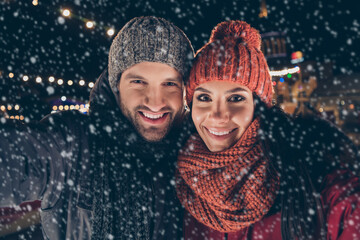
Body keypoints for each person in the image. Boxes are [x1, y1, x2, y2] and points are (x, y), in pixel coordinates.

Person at [0, 16, 194, 239]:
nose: (154, 101)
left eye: (170, 83)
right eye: (138, 82)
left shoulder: (196, 153)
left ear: (185, 91)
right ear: (116, 87)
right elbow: (16, 158)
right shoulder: (73, 144)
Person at [176, 20, 360, 240]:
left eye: (236, 98)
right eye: (204, 98)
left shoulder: (314, 183)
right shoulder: (178, 186)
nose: (217, 115)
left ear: (259, 108)